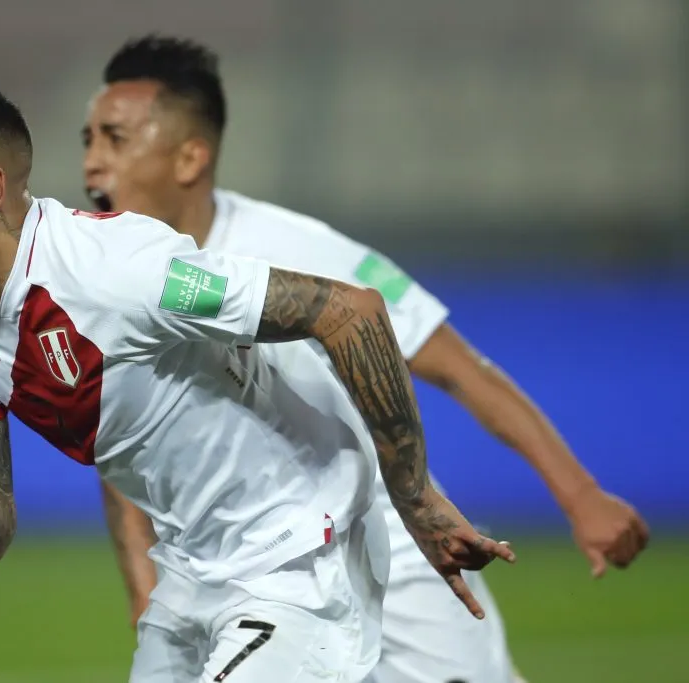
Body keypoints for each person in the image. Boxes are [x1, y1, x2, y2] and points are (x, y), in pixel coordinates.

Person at [0, 81, 514, 683]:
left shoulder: (118, 271)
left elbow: (350, 311)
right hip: (191, 571)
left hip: (296, 556)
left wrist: (415, 498)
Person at [80, 34, 650, 683]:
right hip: (237, 572)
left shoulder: (295, 248)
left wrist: (579, 495)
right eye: (88, 139)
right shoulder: (108, 281)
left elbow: (462, 371)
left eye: (115, 139)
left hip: (387, 549)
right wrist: (141, 586)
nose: (93, 164)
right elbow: (123, 441)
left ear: (190, 156)